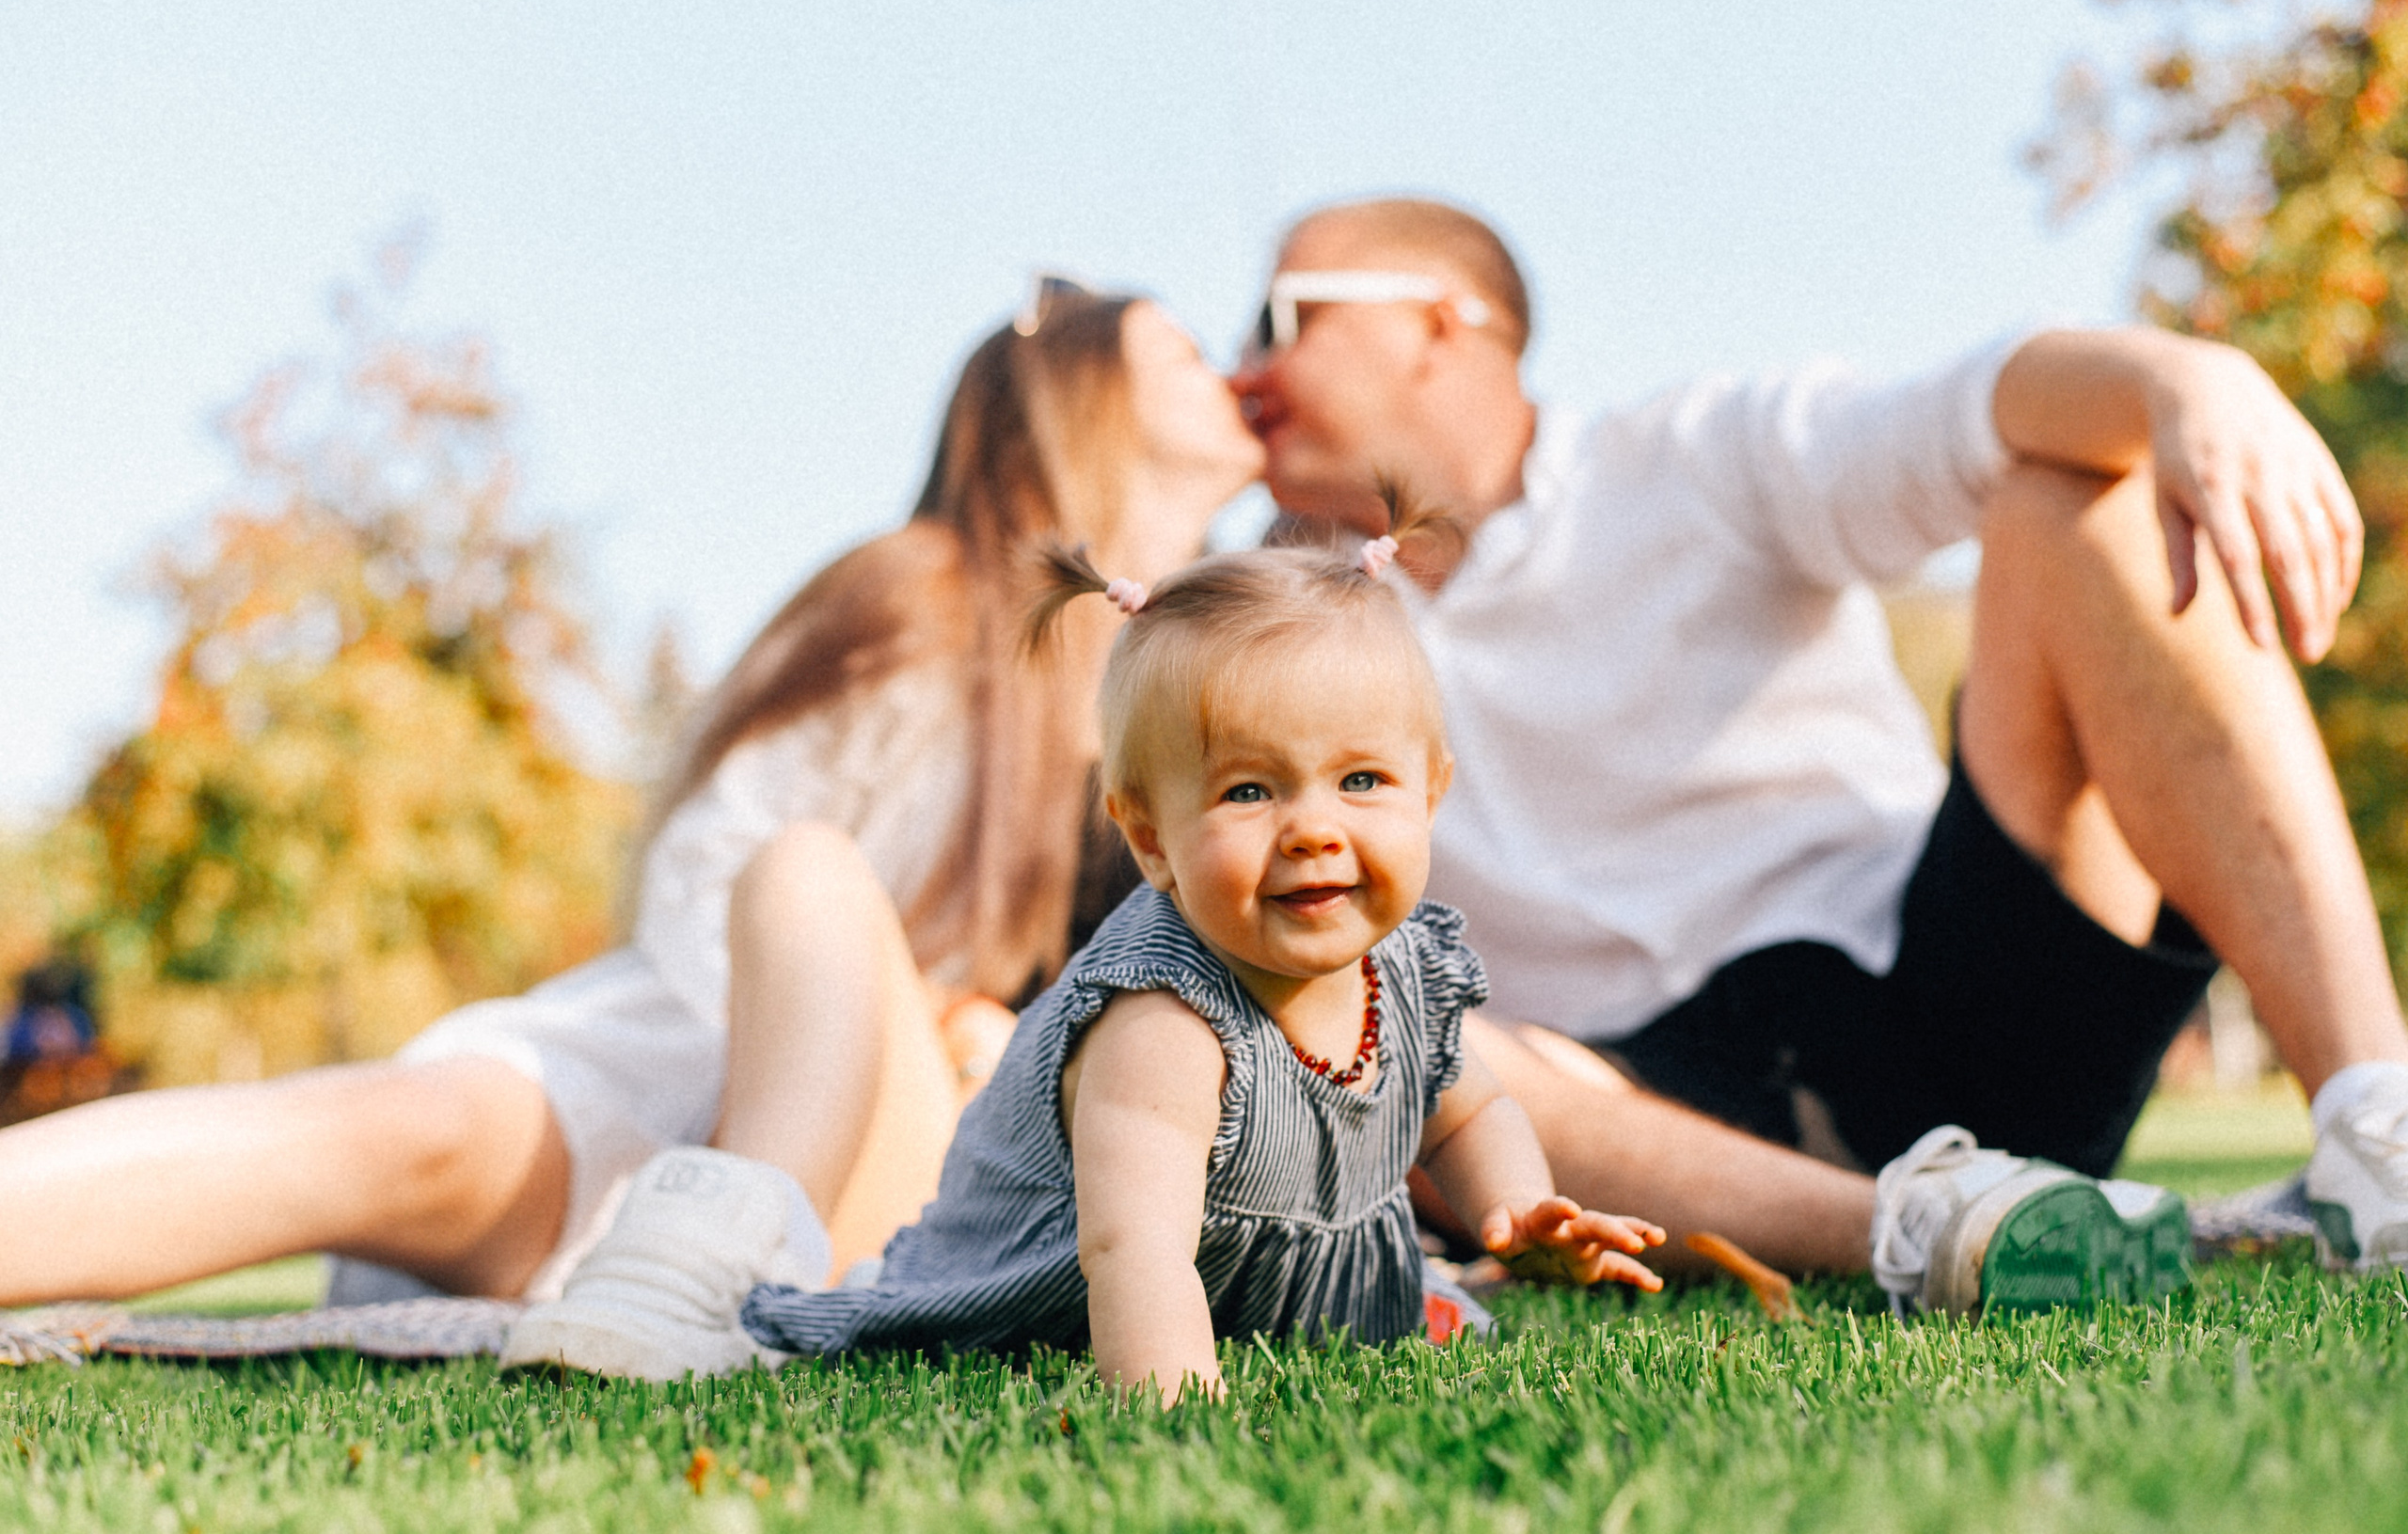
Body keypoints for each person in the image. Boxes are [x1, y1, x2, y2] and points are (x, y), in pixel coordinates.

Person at [1228, 196, 2408, 1301]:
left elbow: (1971, 411)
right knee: (1371, 1009)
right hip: (1656, 1125)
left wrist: (2182, 376)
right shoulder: (1269, 636)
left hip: (1942, 982)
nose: (1245, 371)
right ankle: (1953, 1230)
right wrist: (1176, 464)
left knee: (2070, 495)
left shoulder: (1692, 457)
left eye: (1283, 320)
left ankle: (2379, 1130)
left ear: (1447, 320)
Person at [0, 280, 1262, 1309]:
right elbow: (720, 864)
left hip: (914, 1170)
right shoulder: (924, 596)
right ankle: (694, 1256)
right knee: (397, 1132)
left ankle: (708, 1278)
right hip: (690, 1078)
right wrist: (856, 1025)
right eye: (1188, 347)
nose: (1226, 364)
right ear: (1085, 395)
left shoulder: (1199, 685)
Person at [501, 529, 1666, 1394]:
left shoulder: (1410, 967)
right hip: (1066, 1295)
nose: (1314, 826)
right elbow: (1134, 1246)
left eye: (1361, 781)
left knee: (1412, 1292)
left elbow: (1465, 1111)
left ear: (1431, 794)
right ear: (1149, 837)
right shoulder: (1166, 1018)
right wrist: (1173, 1399)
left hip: (1266, 1286)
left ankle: (1372, 1298)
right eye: (1249, 790)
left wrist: (1516, 1211)